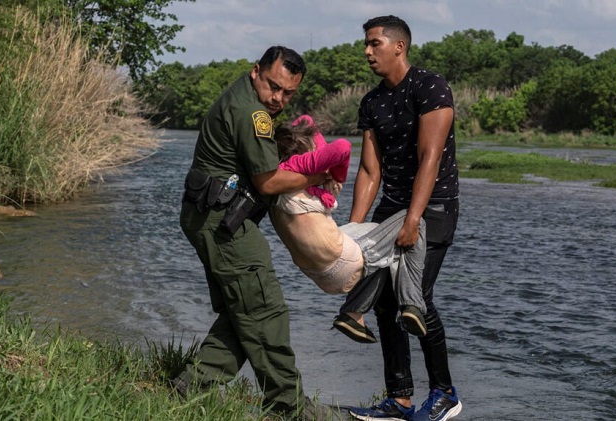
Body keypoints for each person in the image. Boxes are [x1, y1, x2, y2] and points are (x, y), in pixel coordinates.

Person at [173, 46, 345, 420]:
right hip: (223, 222)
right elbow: (268, 182)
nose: (278, 99)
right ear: (256, 72)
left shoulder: (243, 96)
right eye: (273, 86)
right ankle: (288, 406)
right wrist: (315, 177)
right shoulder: (254, 114)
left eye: (288, 93)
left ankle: (191, 385)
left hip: (209, 215)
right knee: (265, 309)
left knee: (243, 308)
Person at [345, 15, 463, 421]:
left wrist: (413, 221)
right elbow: (368, 171)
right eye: (365, 44)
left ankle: (445, 393)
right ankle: (400, 400)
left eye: (374, 43)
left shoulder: (430, 86)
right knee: (383, 303)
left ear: (399, 47)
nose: (366, 51)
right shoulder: (372, 101)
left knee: (417, 297)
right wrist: (355, 230)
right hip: (390, 208)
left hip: (433, 208)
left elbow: (430, 157)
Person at [268, 115, 428, 343]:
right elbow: (342, 147)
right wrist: (334, 173)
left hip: (315, 271)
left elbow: (306, 120)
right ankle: (412, 304)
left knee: (380, 241)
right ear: (305, 156)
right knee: (413, 222)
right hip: (341, 264)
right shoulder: (303, 171)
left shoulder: (277, 181)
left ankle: (352, 315)